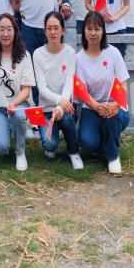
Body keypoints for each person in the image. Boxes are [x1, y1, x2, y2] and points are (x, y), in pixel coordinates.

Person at [75, 11, 129, 174]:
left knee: (112, 117)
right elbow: (82, 92)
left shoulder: (113, 53)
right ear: (84, 31)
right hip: (91, 108)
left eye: (97, 29)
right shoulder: (79, 58)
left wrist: (116, 104)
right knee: (88, 143)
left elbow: (123, 84)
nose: (93, 33)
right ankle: (105, 143)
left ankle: (113, 156)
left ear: (103, 31)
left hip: (114, 106)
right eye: (89, 28)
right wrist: (96, 106)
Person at [0, 13, 35, 172]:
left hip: (18, 105)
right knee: (0, 147)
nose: (5, 34)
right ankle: (7, 132)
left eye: (9, 29)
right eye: (2, 29)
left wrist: (14, 103)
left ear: (15, 31)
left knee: (18, 116)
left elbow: (26, 89)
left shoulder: (24, 55)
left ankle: (20, 151)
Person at [33, 11, 83, 169]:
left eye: (56, 28)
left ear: (63, 30)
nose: (53, 32)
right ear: (45, 31)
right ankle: (50, 145)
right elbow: (41, 89)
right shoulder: (38, 54)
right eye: (49, 28)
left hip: (65, 106)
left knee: (67, 120)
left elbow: (69, 84)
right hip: (46, 109)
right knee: (50, 146)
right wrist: (58, 101)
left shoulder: (70, 53)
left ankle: (73, 151)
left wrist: (61, 107)